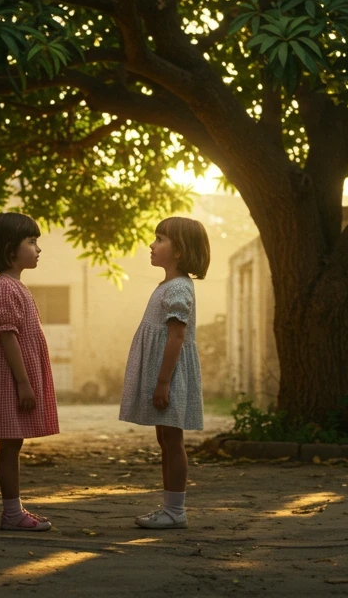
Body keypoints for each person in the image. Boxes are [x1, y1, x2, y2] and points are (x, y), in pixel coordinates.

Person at [0, 212, 61, 531]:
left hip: (14, 374)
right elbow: (7, 336)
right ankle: (11, 512)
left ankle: (14, 510)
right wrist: (23, 383)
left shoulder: (13, 285)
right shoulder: (6, 287)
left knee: (14, 443)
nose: (38, 249)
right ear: (10, 249)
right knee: (10, 444)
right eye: (32, 242)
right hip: (9, 376)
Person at [119, 216, 209, 529]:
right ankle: (170, 507)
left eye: (160, 239)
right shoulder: (169, 285)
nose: (152, 245)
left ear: (180, 250)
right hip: (166, 375)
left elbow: (176, 336)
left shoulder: (179, 288)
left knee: (172, 439)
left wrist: (162, 382)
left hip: (171, 377)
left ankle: (176, 510)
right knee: (165, 438)